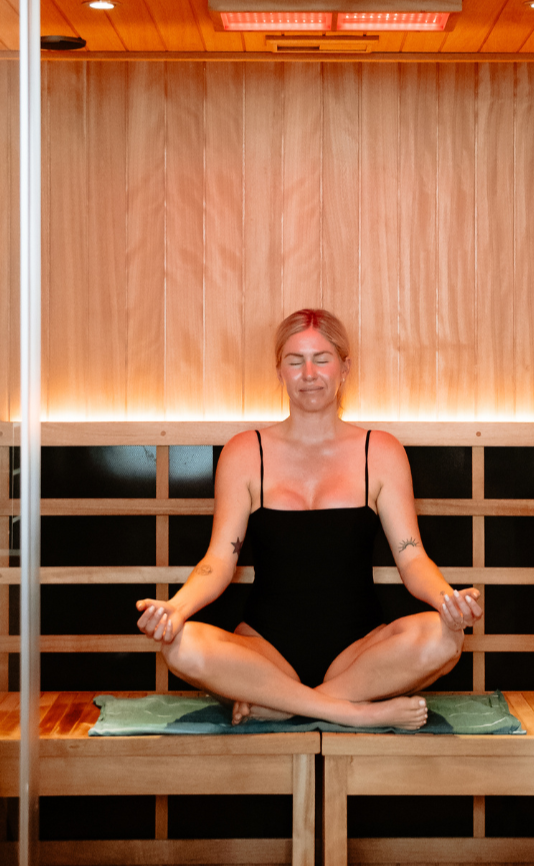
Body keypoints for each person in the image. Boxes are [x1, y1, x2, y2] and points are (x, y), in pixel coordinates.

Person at [136, 308, 482, 729]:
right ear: (279, 371)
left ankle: (282, 705)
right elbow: (218, 562)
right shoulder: (245, 452)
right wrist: (175, 608)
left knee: (443, 640)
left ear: (344, 368)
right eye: (295, 361)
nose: (309, 373)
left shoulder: (381, 451)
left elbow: (412, 558)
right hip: (265, 650)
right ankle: (352, 712)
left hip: (359, 650)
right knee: (180, 645)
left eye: (322, 359)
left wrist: (449, 603)